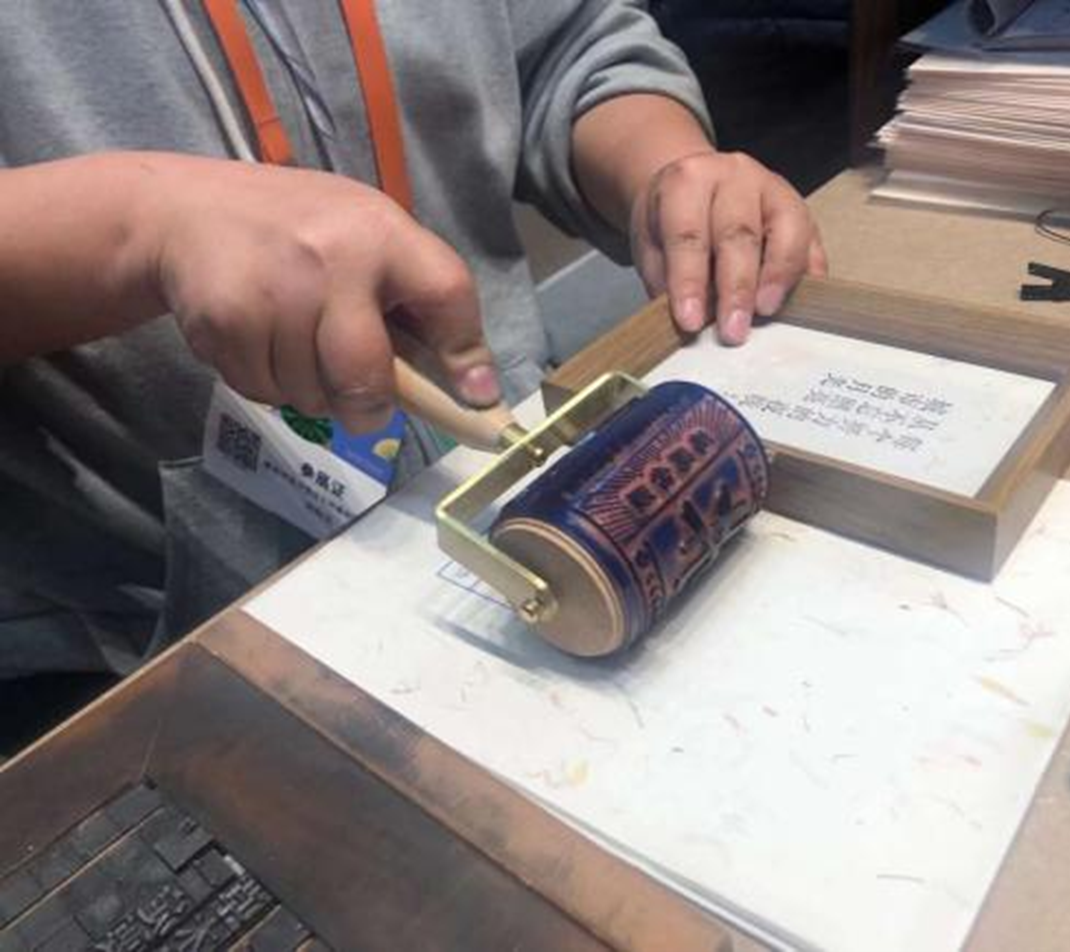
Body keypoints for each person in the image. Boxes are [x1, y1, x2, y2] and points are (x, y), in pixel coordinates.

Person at [0, 1, 826, 683]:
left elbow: (564, 45)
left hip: (509, 470)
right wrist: (141, 226)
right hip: (156, 624)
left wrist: (664, 168)